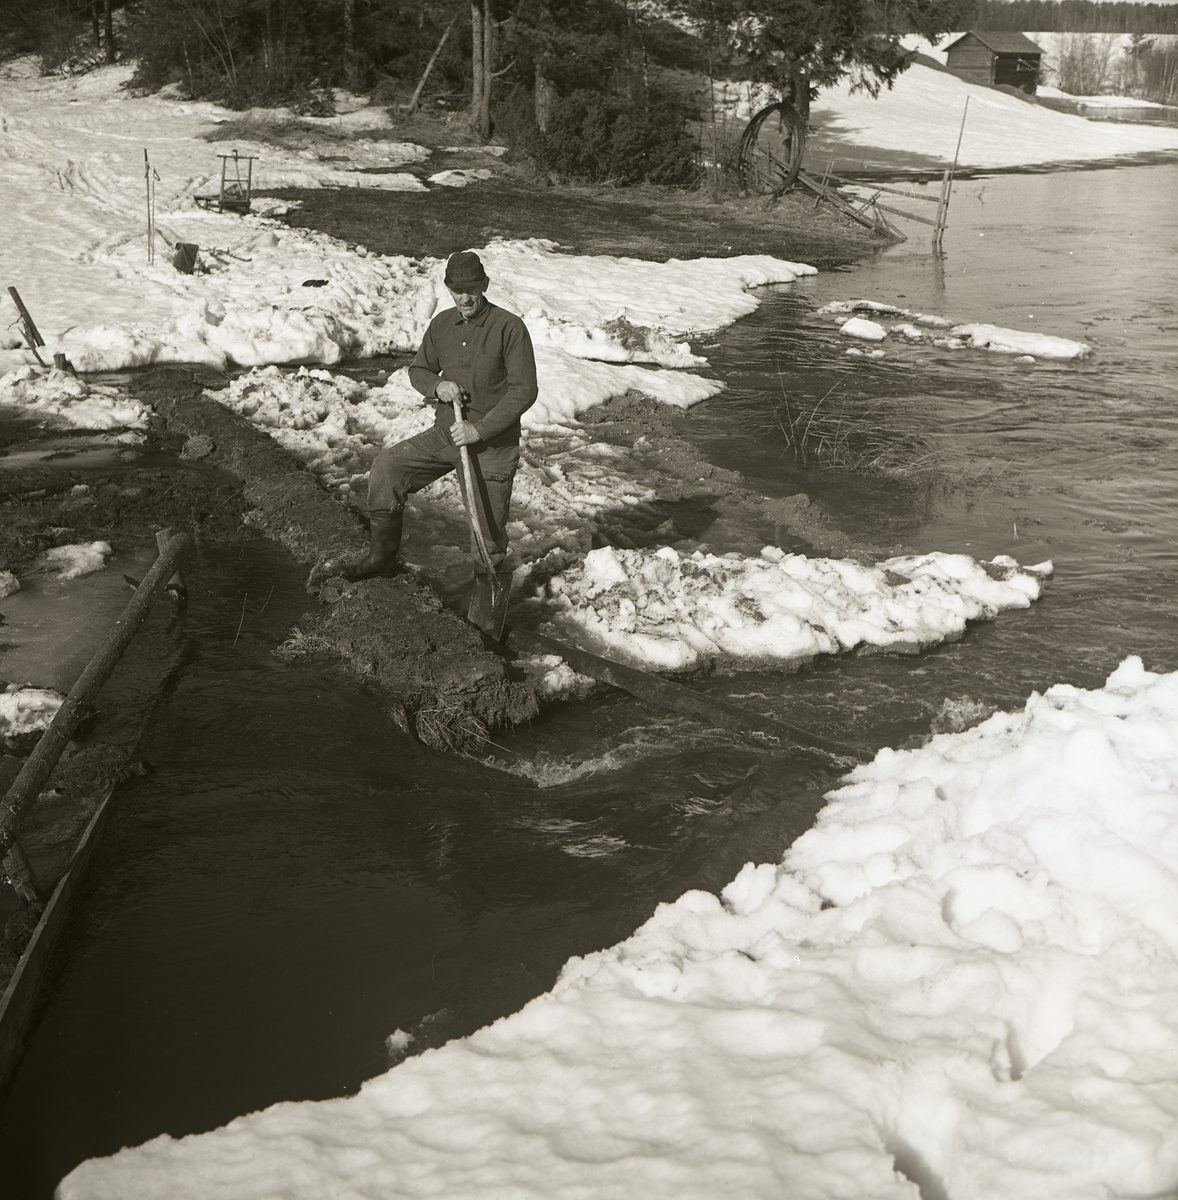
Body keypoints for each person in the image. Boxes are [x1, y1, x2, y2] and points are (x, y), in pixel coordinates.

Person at [342, 250, 538, 581]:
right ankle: (382, 560)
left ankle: (485, 611)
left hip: (492, 447)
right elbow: (419, 370)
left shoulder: (509, 328)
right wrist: (438, 385)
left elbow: (523, 391)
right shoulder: (442, 324)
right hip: (445, 434)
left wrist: (480, 430)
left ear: (485, 285)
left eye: (471, 289)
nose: (464, 297)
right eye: (456, 289)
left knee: (486, 536)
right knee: (388, 468)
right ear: (448, 288)